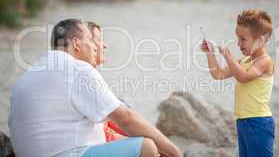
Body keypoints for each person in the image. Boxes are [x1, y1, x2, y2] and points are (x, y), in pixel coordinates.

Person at [9, 19, 182, 157]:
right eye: (92, 40)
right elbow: (126, 118)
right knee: (147, 147)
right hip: (66, 153)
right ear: (76, 43)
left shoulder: (29, 74)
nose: (96, 46)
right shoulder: (76, 69)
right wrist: (174, 151)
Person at [201, 10, 276, 157]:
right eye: (237, 38)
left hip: (259, 123)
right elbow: (218, 74)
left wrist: (228, 56)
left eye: (243, 39)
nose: (238, 43)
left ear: (260, 41)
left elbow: (243, 76)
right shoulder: (244, 61)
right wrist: (210, 54)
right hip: (242, 122)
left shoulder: (265, 62)